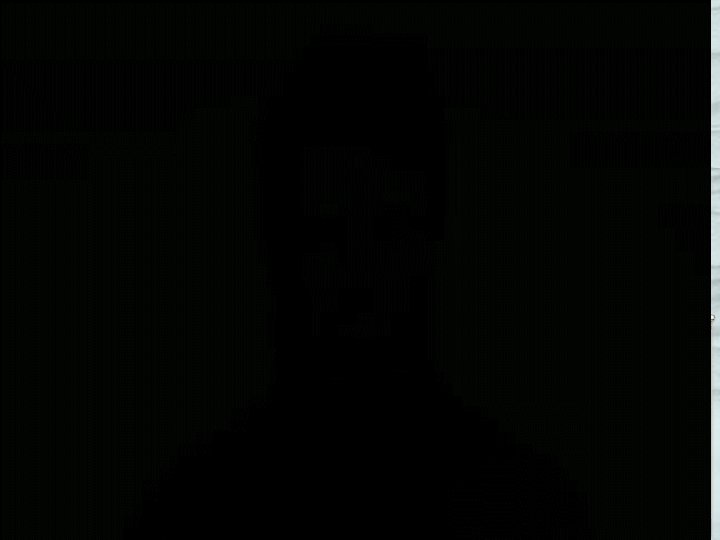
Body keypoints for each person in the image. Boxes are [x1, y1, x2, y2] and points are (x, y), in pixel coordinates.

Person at [125, 35, 589, 539]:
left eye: (387, 232)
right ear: (282, 245)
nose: (357, 269)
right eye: (326, 233)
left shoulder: (518, 506)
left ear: (432, 238)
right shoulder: (197, 506)